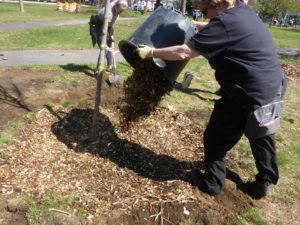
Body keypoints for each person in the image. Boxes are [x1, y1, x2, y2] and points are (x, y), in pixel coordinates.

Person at [136, 0, 287, 199]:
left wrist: (151, 52)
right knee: (262, 136)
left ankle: (211, 184)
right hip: (271, 86)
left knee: (215, 140)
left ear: (217, 5)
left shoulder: (223, 23)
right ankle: (265, 181)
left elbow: (184, 52)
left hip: (247, 93)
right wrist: (198, 26)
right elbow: (224, 29)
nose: (205, 15)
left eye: (205, 10)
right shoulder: (242, 12)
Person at [89, 0, 128, 70]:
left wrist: (110, 30)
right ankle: (99, 69)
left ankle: (110, 67)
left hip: (108, 26)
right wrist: (107, 30)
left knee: (109, 47)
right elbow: (105, 23)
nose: (121, 12)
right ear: (116, 6)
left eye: (123, 11)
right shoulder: (109, 14)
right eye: (120, 10)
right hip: (98, 26)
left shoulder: (116, 3)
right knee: (104, 48)